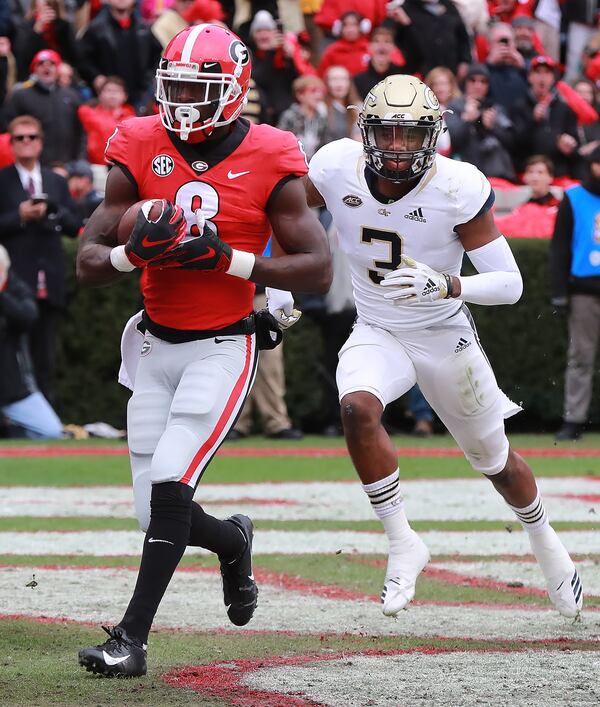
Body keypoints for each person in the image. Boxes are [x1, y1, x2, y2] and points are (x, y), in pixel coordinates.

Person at [75, 24, 331, 677]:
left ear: (233, 91)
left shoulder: (272, 152)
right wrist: (134, 252)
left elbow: (318, 268)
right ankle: (232, 540)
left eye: (198, 88)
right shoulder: (136, 140)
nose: (183, 99)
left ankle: (131, 638)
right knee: (154, 510)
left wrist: (232, 260)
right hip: (155, 343)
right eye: (176, 86)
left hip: (223, 345)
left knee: (170, 483)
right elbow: (87, 260)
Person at [305, 74, 583, 621]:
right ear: (366, 132)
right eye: (387, 133)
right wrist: (278, 283)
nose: (399, 147)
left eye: (412, 135)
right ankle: (403, 540)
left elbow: (509, 283)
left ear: (433, 135)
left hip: (443, 333)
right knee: (357, 407)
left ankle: (545, 539)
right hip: (377, 328)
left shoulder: (456, 185)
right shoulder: (335, 165)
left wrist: (449, 284)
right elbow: (284, 216)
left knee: (494, 460)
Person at [0, 115, 81, 402]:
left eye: (31, 137)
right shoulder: (3, 179)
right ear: (11, 143)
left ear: (41, 142)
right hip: (16, 283)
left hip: (51, 278)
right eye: (20, 138)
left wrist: (52, 210)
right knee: (13, 355)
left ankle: (46, 421)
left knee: (46, 355)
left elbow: (74, 224)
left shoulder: (55, 181)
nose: (26, 142)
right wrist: (19, 216)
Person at [550, 145, 600, 441]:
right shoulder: (574, 197)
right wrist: (558, 291)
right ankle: (574, 419)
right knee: (580, 357)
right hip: (584, 290)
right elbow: (559, 248)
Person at [0, 244, 63, 439]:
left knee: (51, 431)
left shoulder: (15, 288)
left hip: (11, 386)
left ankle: (11, 430)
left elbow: (28, 316)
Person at [494, 154, 560, 238]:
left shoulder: (558, 208)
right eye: (530, 172)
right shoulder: (520, 210)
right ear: (525, 177)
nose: (535, 177)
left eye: (540, 172)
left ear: (550, 177)